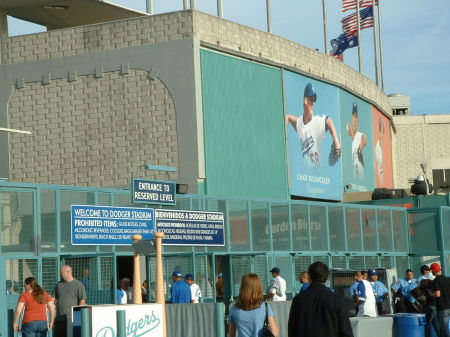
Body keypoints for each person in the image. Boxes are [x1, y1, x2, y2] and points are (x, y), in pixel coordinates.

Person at [288, 261, 353, 337]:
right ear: (326, 277)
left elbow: (292, 329)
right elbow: (345, 330)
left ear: (309, 276)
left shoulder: (298, 299)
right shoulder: (336, 298)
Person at [286, 83, 341, 169]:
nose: (313, 104)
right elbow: (287, 117)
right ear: (305, 100)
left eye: (314, 100)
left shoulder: (316, 121)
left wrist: (336, 142)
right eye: (311, 100)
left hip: (316, 173)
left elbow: (328, 120)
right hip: (304, 173)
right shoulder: (299, 123)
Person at [52, 265, 86, 337]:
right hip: (59, 320)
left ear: (68, 272)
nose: (60, 274)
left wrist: (77, 317)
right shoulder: (58, 285)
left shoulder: (78, 284)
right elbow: (53, 300)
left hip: (71, 321)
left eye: (61, 272)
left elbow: (82, 301)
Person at [347, 102, 367, 179]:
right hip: (354, 166)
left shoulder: (360, 134)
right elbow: (350, 132)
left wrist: (360, 147)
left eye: (356, 116)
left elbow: (364, 139)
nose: (355, 119)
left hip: (359, 165)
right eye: (353, 116)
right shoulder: (352, 136)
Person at [430, 263, 450, 337]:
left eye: (431, 271)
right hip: (448, 306)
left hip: (442, 308)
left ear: (434, 271)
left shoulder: (436, 280)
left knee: (444, 329)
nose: (431, 272)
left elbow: (437, 294)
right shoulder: (446, 279)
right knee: (446, 327)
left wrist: (431, 294)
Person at [374, 117, 384, 185]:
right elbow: (378, 161)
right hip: (379, 172)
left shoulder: (381, 145)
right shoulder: (377, 146)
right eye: (381, 131)